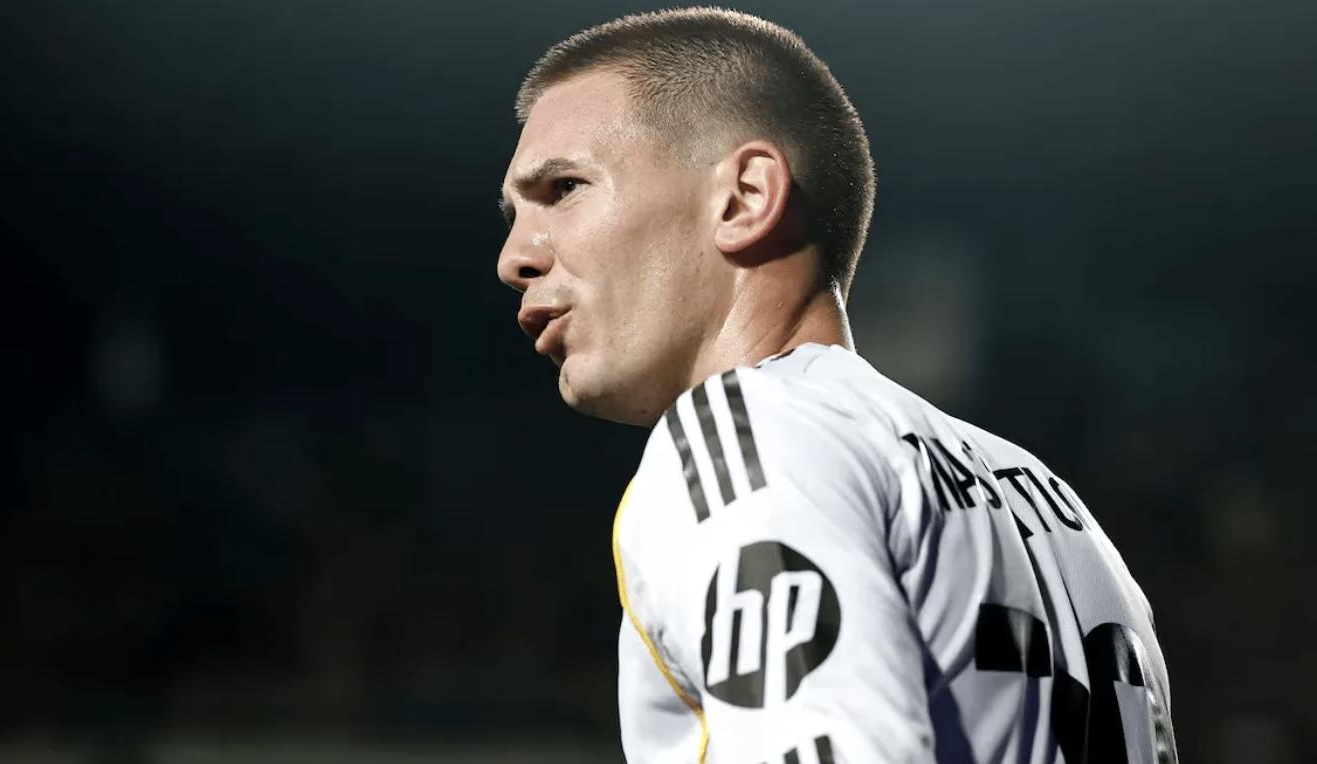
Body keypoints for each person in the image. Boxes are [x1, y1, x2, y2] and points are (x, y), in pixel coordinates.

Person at [495, 8, 1176, 763]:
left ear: (744, 198)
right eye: (514, 214)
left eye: (564, 188)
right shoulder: (1048, 500)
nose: (514, 257)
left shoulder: (748, 434)